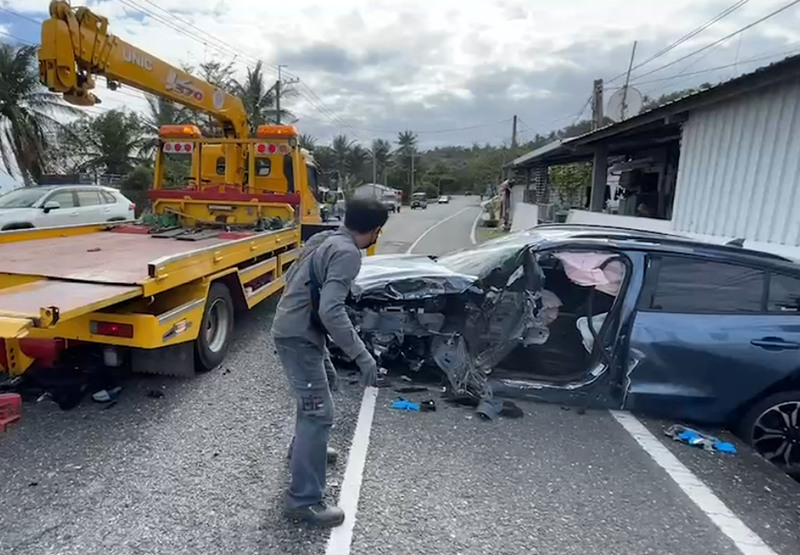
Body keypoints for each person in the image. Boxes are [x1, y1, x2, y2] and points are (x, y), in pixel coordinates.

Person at [271, 198, 389, 528]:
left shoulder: (321, 239)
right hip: (299, 337)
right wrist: (362, 356)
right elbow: (331, 311)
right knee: (318, 410)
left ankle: (305, 453)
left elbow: (291, 277)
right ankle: (304, 501)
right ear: (375, 230)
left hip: (298, 330)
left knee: (326, 385)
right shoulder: (348, 253)